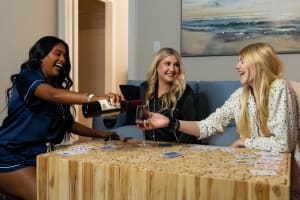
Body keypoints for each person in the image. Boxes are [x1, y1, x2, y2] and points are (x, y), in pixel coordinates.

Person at [139, 43, 300, 198]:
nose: (237, 66)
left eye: (242, 61)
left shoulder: (279, 87)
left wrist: (244, 142)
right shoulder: (240, 95)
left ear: (258, 62)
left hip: (290, 175)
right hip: (263, 165)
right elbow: (207, 126)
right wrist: (170, 122)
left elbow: (283, 144)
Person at [0, 36, 121, 200]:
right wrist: (95, 98)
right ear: (41, 56)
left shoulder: (56, 89)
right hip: (10, 154)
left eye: (65, 56)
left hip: (41, 157)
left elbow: (68, 124)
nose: (62, 59)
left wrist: (101, 134)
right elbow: (51, 94)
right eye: (57, 54)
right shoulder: (27, 78)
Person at [139, 47, 201, 144]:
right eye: (167, 64)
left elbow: (191, 129)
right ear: (156, 66)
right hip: (151, 147)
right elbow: (130, 106)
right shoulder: (145, 88)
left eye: (176, 65)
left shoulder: (185, 92)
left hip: (178, 148)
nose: (172, 69)